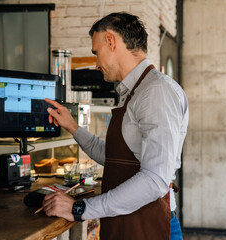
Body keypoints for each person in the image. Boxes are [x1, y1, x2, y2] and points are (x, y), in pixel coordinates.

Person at [42, 12, 189, 240]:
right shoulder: (135, 91)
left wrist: (80, 208)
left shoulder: (156, 91)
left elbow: (155, 180)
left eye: (96, 52)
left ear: (110, 41)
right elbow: (114, 157)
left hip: (150, 227)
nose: (96, 63)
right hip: (127, 223)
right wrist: (72, 126)